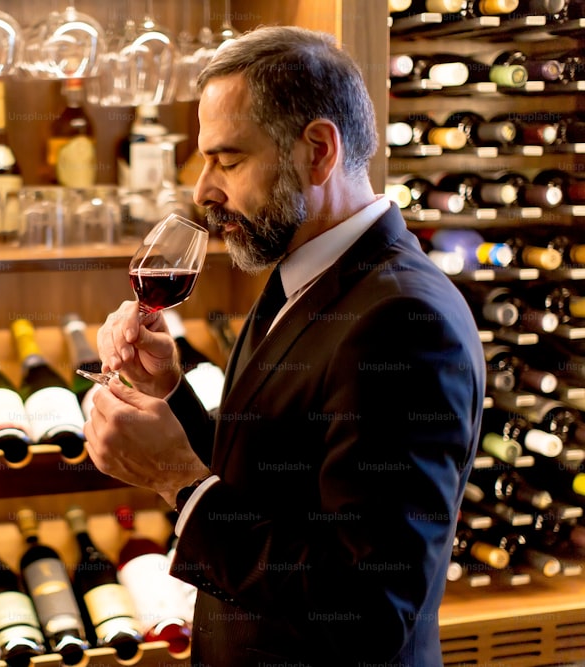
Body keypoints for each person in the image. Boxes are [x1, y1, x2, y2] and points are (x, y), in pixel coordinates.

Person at [83, 26, 485, 667]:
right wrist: (172, 394)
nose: (203, 191)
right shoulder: (303, 271)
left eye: (228, 160)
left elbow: (369, 607)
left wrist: (179, 486)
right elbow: (272, 465)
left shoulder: (405, 322)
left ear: (318, 151)